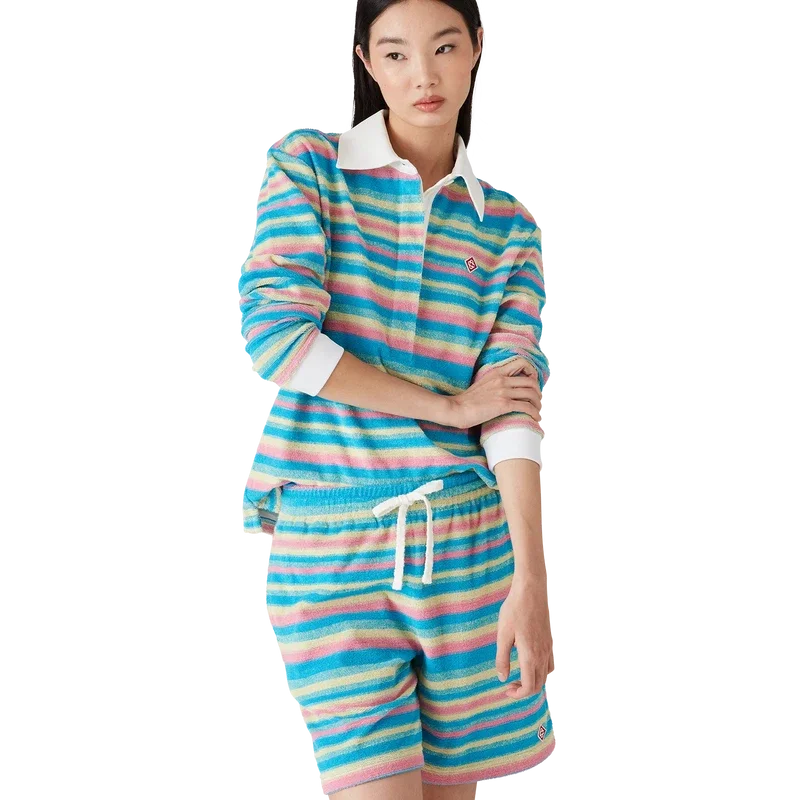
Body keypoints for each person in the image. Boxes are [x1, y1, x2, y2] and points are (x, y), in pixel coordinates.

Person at [238, 0, 556, 796]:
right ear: (367, 62)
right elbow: (275, 337)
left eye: (444, 48)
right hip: (327, 541)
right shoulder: (310, 167)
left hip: (468, 544)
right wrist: (446, 406)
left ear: (476, 49)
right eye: (396, 53)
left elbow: (513, 409)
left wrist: (532, 580)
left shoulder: (508, 229)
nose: (423, 75)